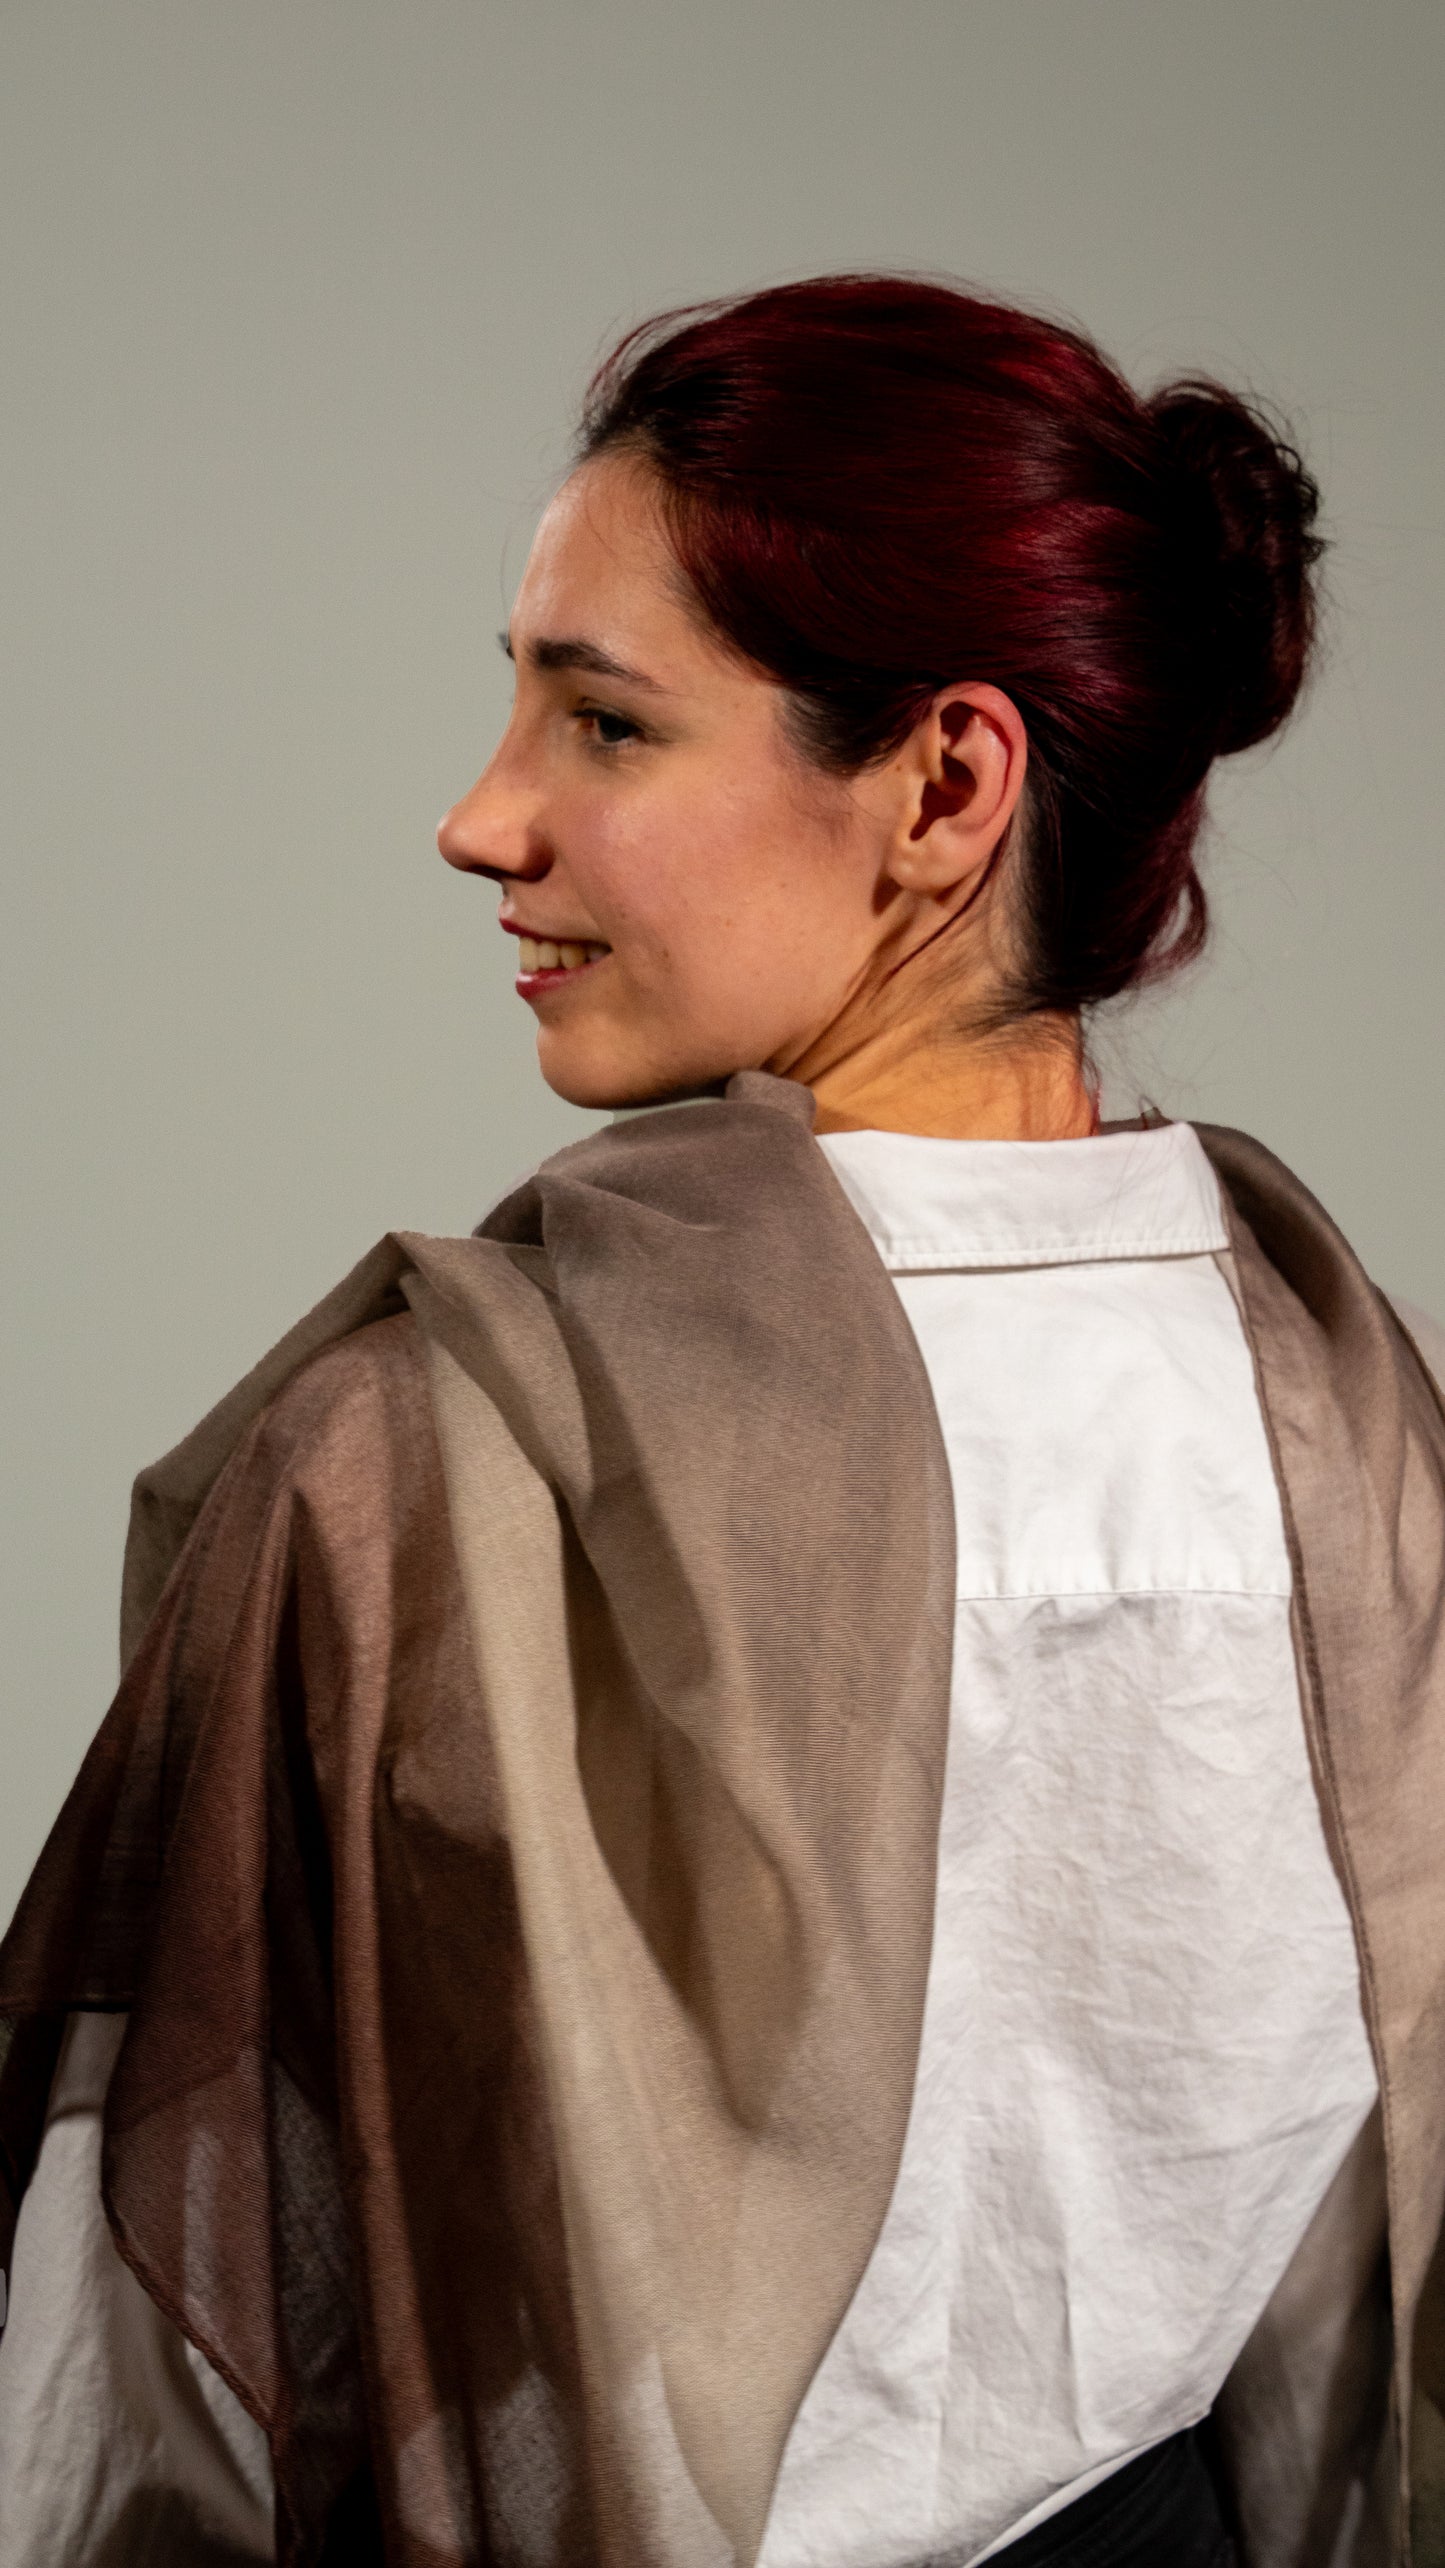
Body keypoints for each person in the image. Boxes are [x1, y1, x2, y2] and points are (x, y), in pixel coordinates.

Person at [0, 273, 1442, 2568]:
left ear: (947, 784)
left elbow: (167, 2371)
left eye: (605, 725)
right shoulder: (1349, 1447)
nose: (485, 821)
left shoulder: (417, 1471)